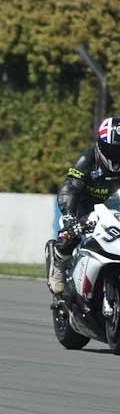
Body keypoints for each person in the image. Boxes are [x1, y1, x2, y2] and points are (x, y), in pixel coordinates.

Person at [48, 116, 120, 294]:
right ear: (102, 146)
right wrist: (69, 217)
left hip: (114, 209)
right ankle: (58, 262)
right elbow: (69, 188)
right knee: (69, 235)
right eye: (112, 150)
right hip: (85, 209)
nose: (116, 155)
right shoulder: (87, 159)